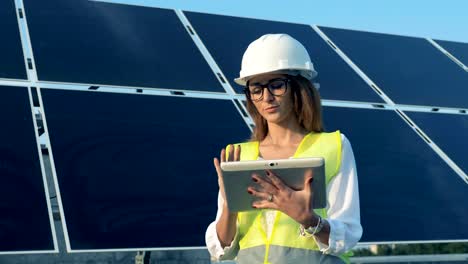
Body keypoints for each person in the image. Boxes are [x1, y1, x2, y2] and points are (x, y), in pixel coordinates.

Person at [206, 34, 362, 263]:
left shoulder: (334, 147)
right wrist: (230, 205)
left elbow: (346, 236)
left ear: (299, 87)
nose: (266, 97)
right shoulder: (238, 156)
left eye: (277, 85)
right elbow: (221, 249)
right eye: (256, 88)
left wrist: (308, 219)